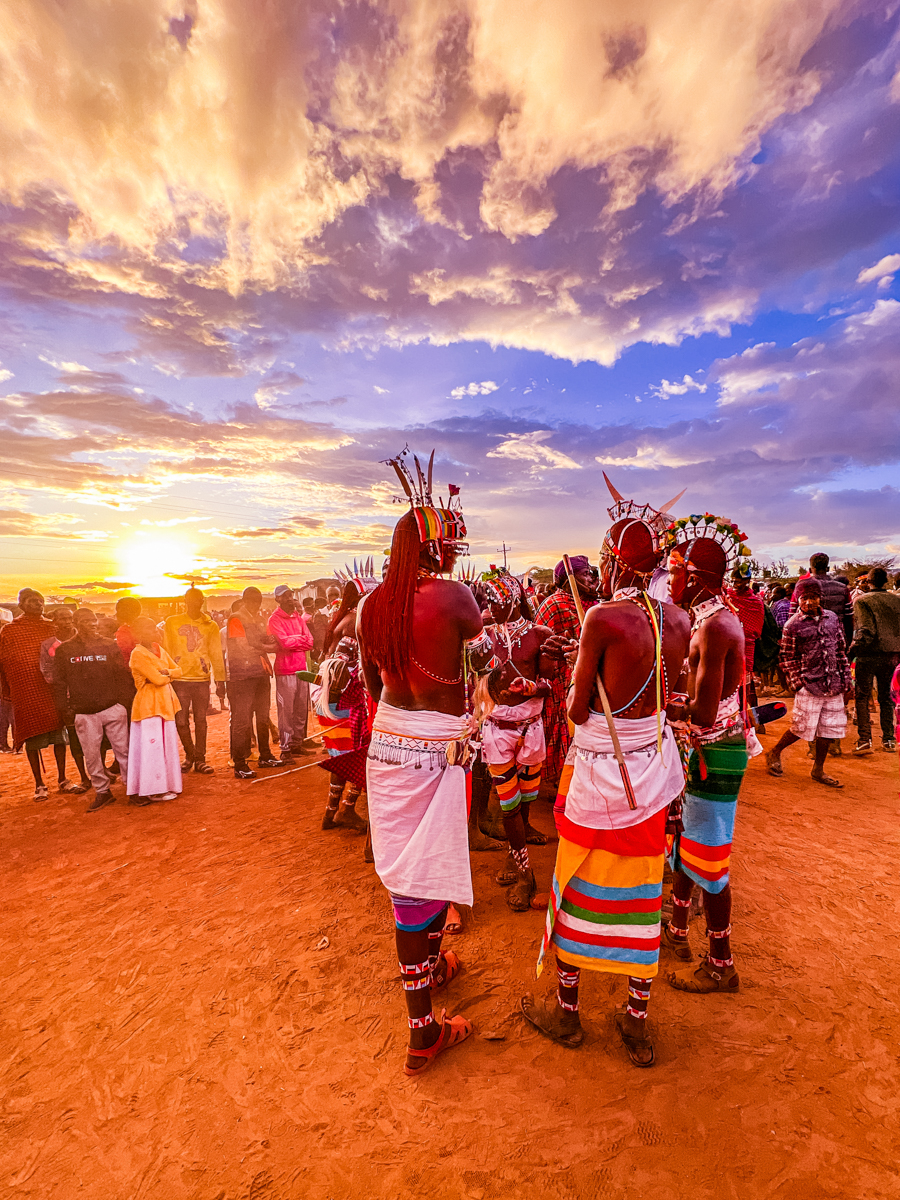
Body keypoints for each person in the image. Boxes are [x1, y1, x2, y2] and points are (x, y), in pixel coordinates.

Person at [521, 481, 689, 1067]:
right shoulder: (680, 618)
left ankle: (568, 1014)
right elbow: (672, 694)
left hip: (600, 770)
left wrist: (578, 670)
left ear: (615, 558)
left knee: (574, 885)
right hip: (652, 768)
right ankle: (636, 1020)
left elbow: (576, 711)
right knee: (645, 892)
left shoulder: (602, 615)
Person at [358, 449, 493, 1076]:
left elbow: (369, 679)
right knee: (420, 886)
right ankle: (421, 1033)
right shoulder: (454, 598)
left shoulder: (371, 605)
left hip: (387, 746)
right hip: (439, 750)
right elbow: (489, 661)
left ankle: (434, 968)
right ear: (438, 547)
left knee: (416, 876)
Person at [662, 513, 759, 996]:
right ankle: (677, 932)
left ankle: (721, 962)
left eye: (674, 570)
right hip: (703, 748)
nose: (668, 578)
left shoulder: (717, 626)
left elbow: (702, 711)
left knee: (710, 860)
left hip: (714, 749)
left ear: (694, 577)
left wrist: (660, 704)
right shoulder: (708, 619)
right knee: (687, 843)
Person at [476, 566, 567, 910]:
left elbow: (552, 681)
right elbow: (472, 673)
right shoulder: (483, 635)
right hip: (497, 727)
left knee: (526, 797)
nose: (489, 606)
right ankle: (524, 869)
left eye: (495, 600)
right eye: (487, 601)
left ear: (513, 599)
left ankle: (517, 847)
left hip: (531, 728)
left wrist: (532, 687)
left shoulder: (540, 634)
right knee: (508, 802)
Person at [766, 577, 852, 787]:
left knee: (828, 729)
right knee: (801, 726)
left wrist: (847, 679)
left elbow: (841, 650)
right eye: (805, 598)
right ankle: (774, 752)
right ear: (799, 599)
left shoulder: (832, 619)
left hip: (833, 682)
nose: (809, 603)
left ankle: (818, 769)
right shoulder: (792, 625)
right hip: (809, 683)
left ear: (820, 598)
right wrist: (798, 683)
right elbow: (787, 657)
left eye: (813, 598)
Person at [52, 608, 132, 811]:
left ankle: (133, 789)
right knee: (92, 754)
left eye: (94, 620)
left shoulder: (108, 645)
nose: (92, 624)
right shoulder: (65, 650)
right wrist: (65, 709)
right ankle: (103, 792)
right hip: (84, 711)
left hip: (112, 706)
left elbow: (121, 675)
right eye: (86, 621)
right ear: (76, 624)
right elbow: (59, 682)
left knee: (123, 750)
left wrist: (123, 703)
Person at [534, 556, 598, 788]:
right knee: (562, 729)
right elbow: (540, 646)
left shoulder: (596, 605)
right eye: (585, 574)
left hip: (591, 680)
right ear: (568, 580)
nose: (591, 578)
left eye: (591, 573)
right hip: (561, 681)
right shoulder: (553, 604)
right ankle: (560, 782)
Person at [0, 588, 69, 801]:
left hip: (52, 690)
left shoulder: (52, 627)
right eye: (32, 601)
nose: (38, 604)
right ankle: (39, 784)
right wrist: (8, 690)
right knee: (31, 737)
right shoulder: (10, 631)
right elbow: (3, 662)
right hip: (26, 691)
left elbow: (62, 656)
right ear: (21, 605)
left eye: (40, 601)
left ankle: (63, 779)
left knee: (59, 735)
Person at [163, 588, 226, 773]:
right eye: (191, 599)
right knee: (181, 721)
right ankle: (190, 755)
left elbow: (215, 653)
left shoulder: (210, 625)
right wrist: (168, 673)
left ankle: (200, 759)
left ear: (202, 601)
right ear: (185, 600)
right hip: (179, 678)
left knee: (201, 720)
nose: (195, 603)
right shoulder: (172, 622)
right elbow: (167, 648)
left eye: (198, 599)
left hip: (201, 679)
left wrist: (219, 680)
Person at [314, 636, 371, 833]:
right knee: (358, 761)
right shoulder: (354, 670)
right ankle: (347, 808)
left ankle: (330, 814)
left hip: (327, 717)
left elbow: (316, 696)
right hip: (347, 718)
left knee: (339, 762)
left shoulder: (326, 665)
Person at [126, 617, 183, 804]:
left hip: (165, 704)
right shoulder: (138, 653)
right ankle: (153, 789)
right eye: (148, 628)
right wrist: (167, 674)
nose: (155, 631)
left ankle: (166, 785)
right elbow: (158, 679)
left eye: (154, 628)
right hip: (148, 706)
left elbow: (178, 671)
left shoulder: (158, 648)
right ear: (139, 633)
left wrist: (166, 673)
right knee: (153, 749)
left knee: (165, 747)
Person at [226, 587, 281, 778]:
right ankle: (239, 764)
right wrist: (265, 647)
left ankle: (265, 755)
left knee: (263, 716)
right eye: (253, 600)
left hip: (260, 672)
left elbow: (265, 641)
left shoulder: (257, 618)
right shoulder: (236, 618)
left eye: (258, 601)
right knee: (242, 721)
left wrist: (264, 645)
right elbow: (243, 648)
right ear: (245, 600)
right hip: (242, 676)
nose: (256, 604)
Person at [39, 606, 92, 793]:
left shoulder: (85, 640)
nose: (67, 622)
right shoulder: (48, 645)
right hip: (68, 696)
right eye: (62, 618)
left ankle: (97, 772)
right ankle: (84, 776)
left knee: (94, 736)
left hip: (89, 694)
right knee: (75, 736)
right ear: (54, 621)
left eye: (70, 618)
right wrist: (67, 680)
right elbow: (47, 672)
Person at [851, 566, 900, 754]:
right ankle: (889, 739)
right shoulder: (896, 600)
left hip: (869, 654)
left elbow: (866, 630)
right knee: (886, 696)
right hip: (892, 654)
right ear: (886, 581)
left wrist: (853, 648)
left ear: (868, 582)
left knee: (862, 696)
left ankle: (865, 740)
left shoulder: (862, 601)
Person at [268, 584, 315, 763]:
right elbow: (285, 643)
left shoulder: (297, 617)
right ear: (277, 599)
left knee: (300, 709)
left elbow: (310, 642)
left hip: (301, 669)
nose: (289, 598)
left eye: (290, 595)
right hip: (285, 670)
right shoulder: (274, 619)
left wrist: (294, 641)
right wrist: (299, 641)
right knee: (286, 712)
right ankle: (285, 749)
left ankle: (297, 744)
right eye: (285, 596)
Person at [725, 564, 765, 713]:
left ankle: (749, 715)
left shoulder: (755, 602)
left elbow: (756, 629)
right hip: (727, 644)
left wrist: (741, 632)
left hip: (746, 645)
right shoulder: (726, 596)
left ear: (748, 581)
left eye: (739, 581)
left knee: (745, 683)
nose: (736, 585)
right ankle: (733, 714)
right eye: (734, 581)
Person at [789, 553, 853, 644]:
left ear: (810, 570)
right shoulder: (842, 588)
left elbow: (792, 615)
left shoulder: (801, 586)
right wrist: (848, 641)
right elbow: (849, 618)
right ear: (827, 569)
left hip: (807, 638)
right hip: (835, 637)